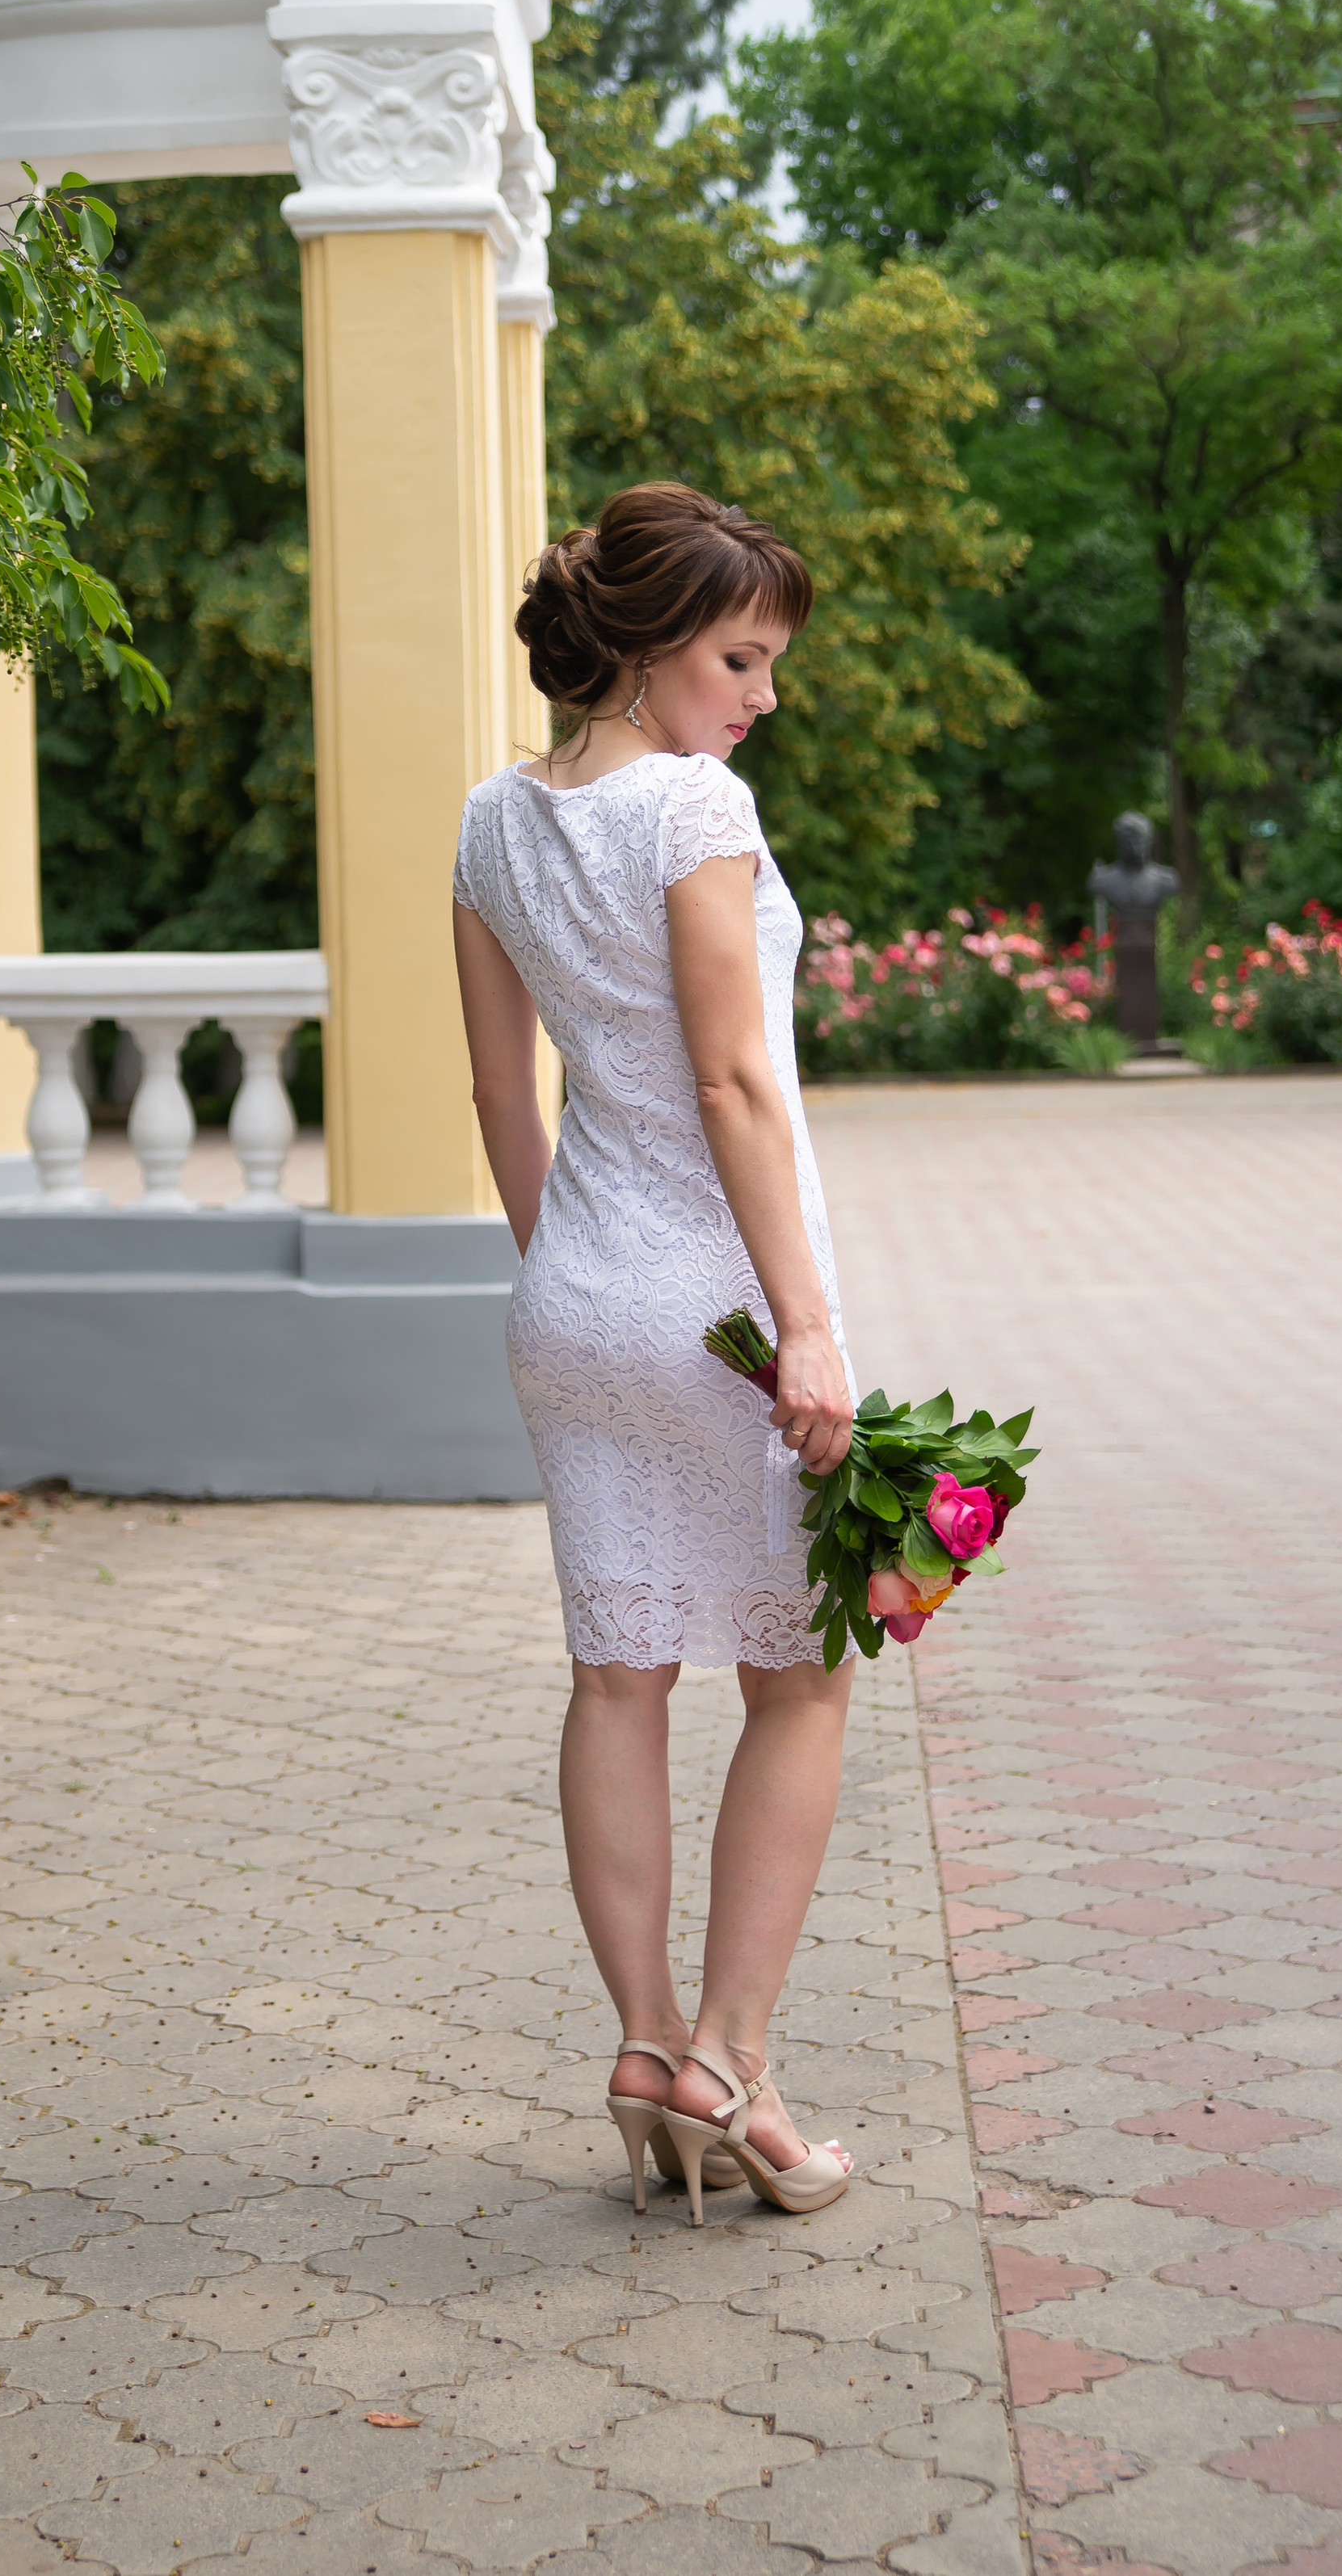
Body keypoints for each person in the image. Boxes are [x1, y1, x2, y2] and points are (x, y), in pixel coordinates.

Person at [451, 481, 857, 2223]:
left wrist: (571, 1282)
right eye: (737, 656)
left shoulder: (487, 822)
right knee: (801, 1679)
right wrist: (809, 1327)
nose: (757, 695)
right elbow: (731, 1081)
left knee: (618, 1677)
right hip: (714, 1298)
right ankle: (731, 2062)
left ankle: (641, 2047)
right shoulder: (692, 805)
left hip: (574, 1289)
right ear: (640, 645)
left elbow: (494, 1089)